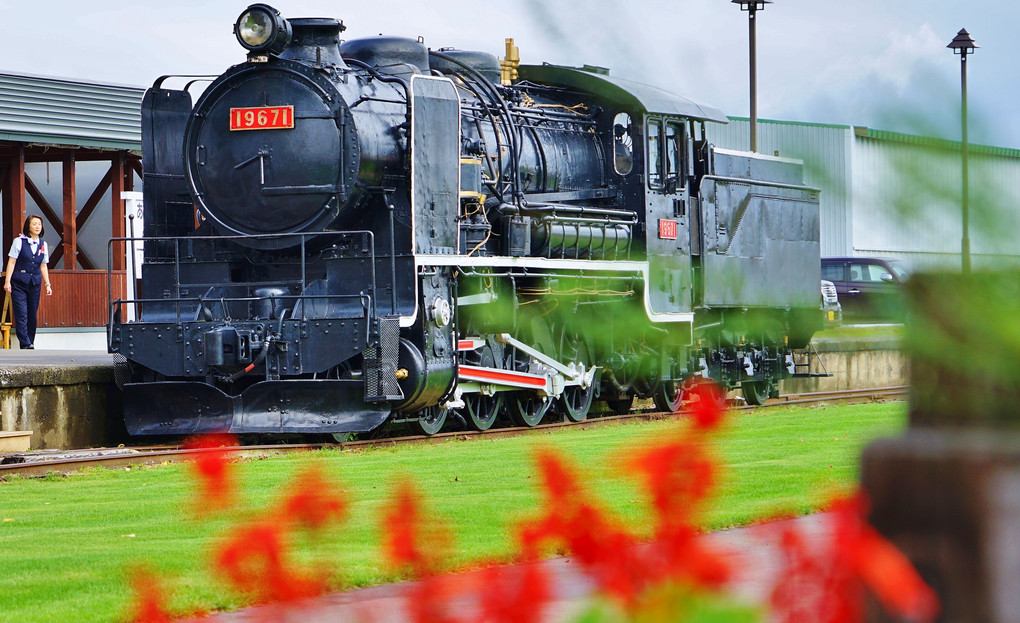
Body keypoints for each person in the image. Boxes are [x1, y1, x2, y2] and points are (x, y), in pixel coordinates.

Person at [3, 215, 52, 349]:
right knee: (21, 313)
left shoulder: (43, 244)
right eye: (34, 224)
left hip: (35, 283)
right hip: (18, 282)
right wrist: (7, 281)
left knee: (32, 314)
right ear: (28, 226)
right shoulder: (19, 241)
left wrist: (48, 284)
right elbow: (12, 262)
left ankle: (30, 341)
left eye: (39, 224)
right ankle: (25, 343)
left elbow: (43, 265)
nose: (37, 226)